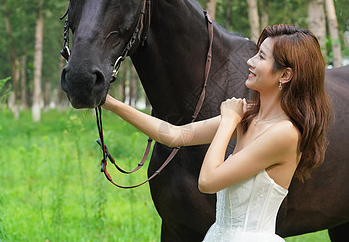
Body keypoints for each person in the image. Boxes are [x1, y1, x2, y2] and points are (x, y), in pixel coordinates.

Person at [102, 24, 331, 241]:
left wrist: (228, 122)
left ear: (285, 75)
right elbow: (175, 135)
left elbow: (208, 181)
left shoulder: (285, 134)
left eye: (261, 57)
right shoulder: (249, 115)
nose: (250, 61)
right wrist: (109, 102)